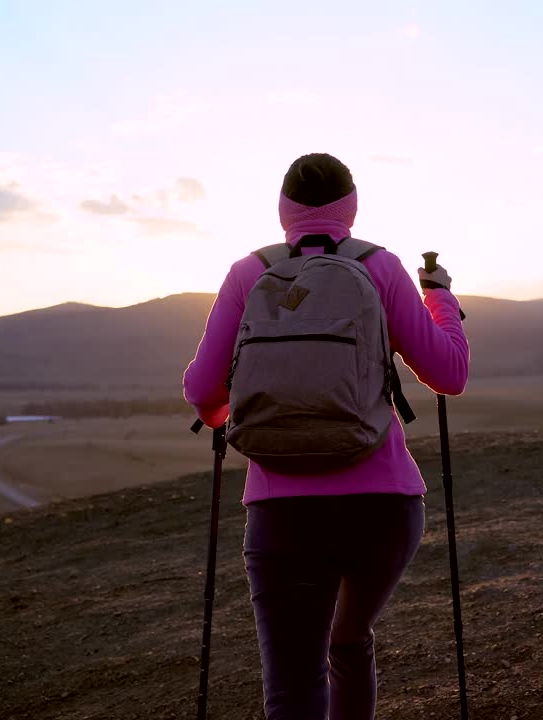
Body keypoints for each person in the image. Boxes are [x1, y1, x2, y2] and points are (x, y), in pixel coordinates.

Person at [182, 152, 469, 720]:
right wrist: (441, 299)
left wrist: (229, 419)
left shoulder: (248, 273)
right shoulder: (380, 268)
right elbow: (449, 375)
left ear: (284, 209)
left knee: (293, 689)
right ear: (352, 207)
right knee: (347, 638)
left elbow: (202, 390)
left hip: (282, 514)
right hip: (384, 509)